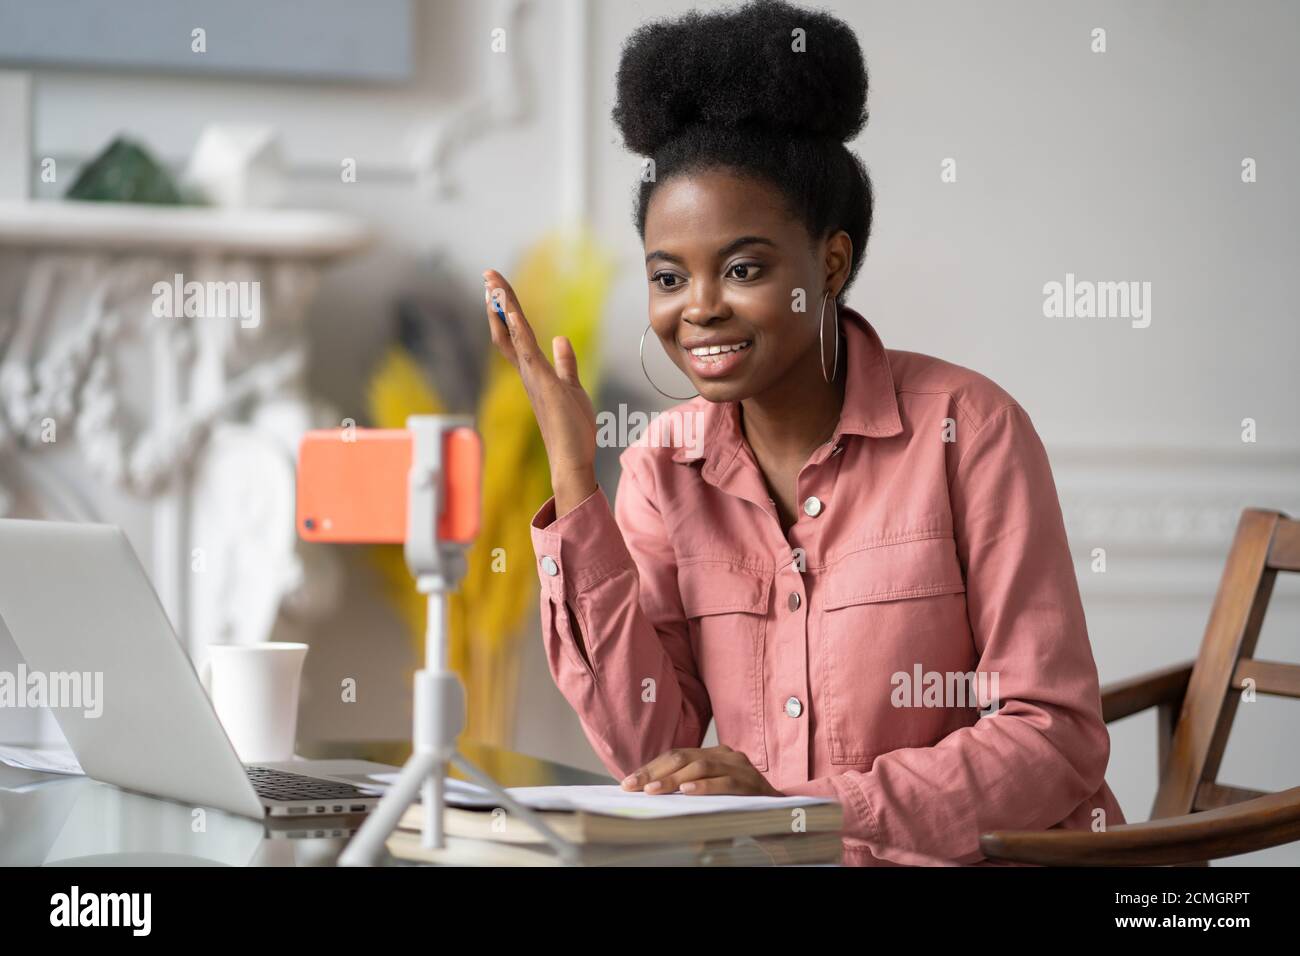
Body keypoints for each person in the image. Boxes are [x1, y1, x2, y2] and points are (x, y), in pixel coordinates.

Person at [481, 0, 1125, 866]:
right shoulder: (661, 468)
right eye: (669, 275)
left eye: (743, 268)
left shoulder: (968, 431)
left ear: (830, 263)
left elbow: (1053, 737)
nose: (700, 306)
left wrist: (803, 809)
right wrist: (572, 474)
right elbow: (648, 750)